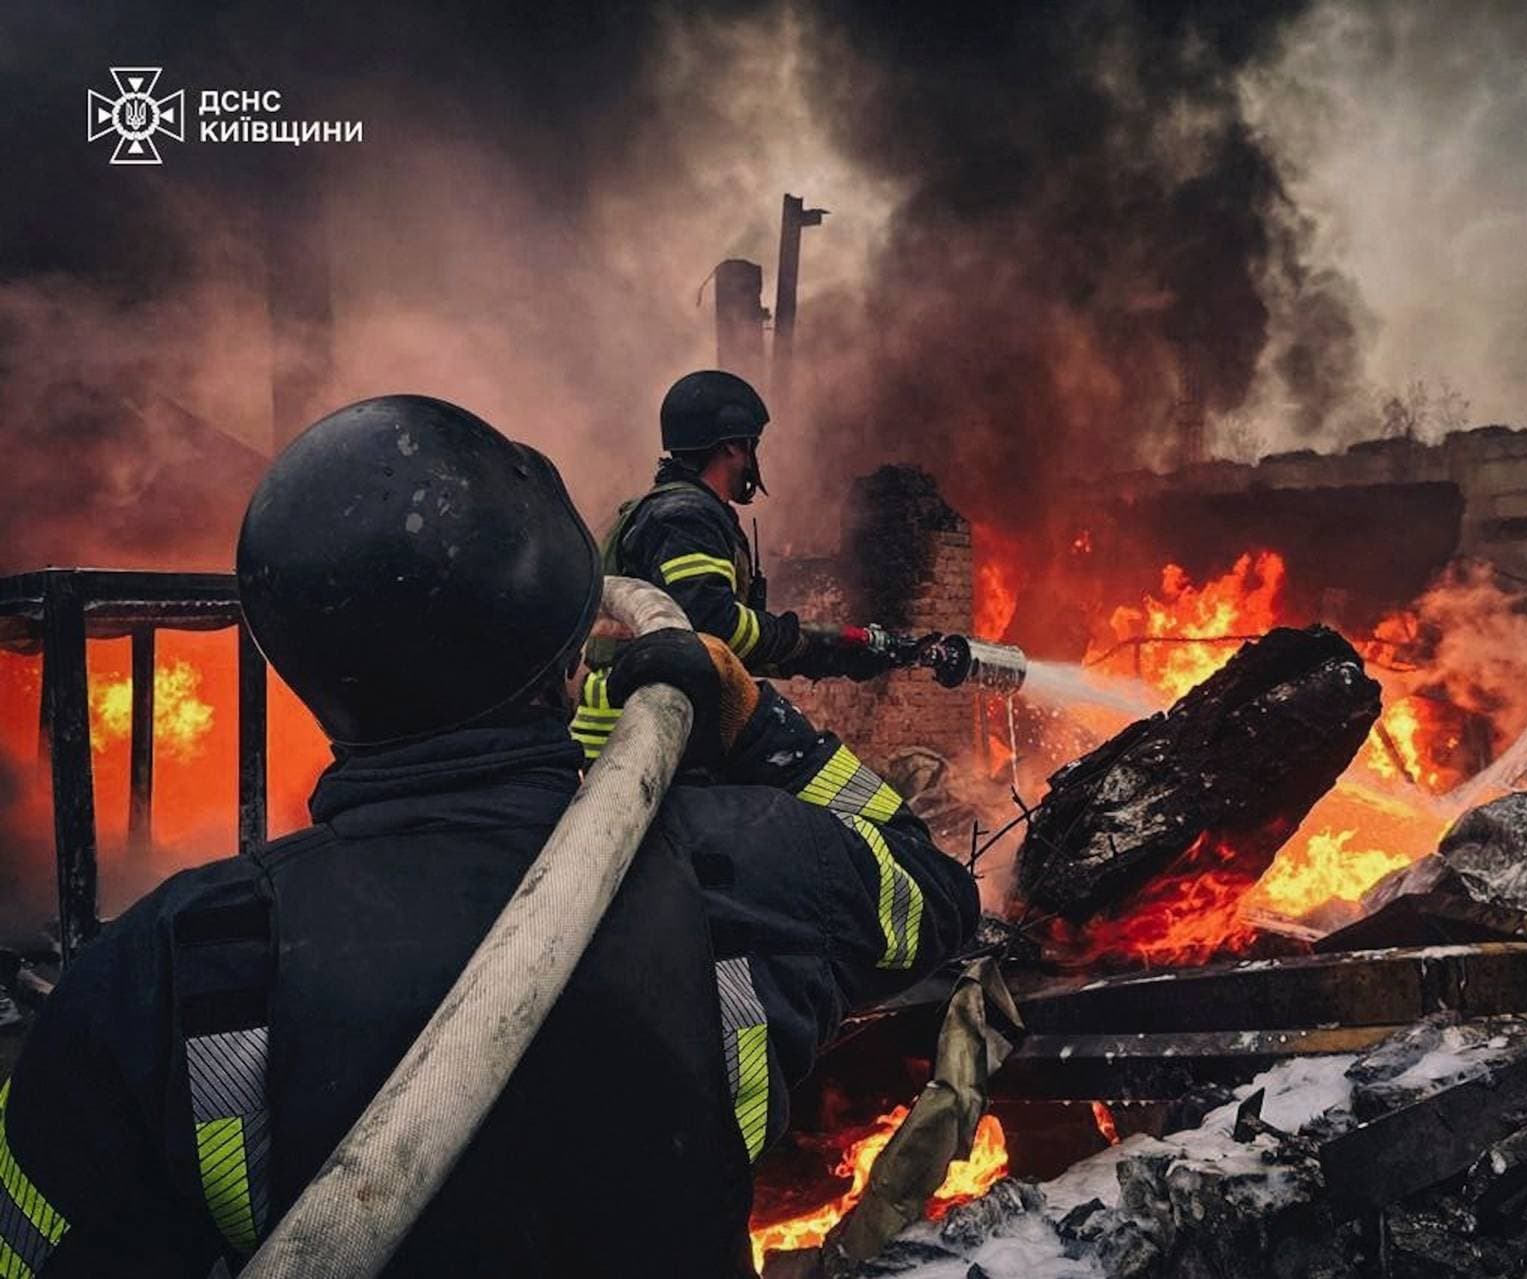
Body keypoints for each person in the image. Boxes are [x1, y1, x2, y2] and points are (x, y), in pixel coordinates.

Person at [0, 395, 979, 1277]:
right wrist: (754, 719)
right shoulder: (743, 869)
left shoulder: (158, 980)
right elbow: (934, 892)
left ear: (296, 663)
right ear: (565, 653)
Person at [575, 371, 888, 761]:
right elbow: (712, 625)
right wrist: (795, 637)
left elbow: (722, 642)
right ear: (732, 447)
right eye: (751, 446)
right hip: (643, 733)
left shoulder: (671, 510)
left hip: (651, 723)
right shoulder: (686, 517)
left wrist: (835, 652)